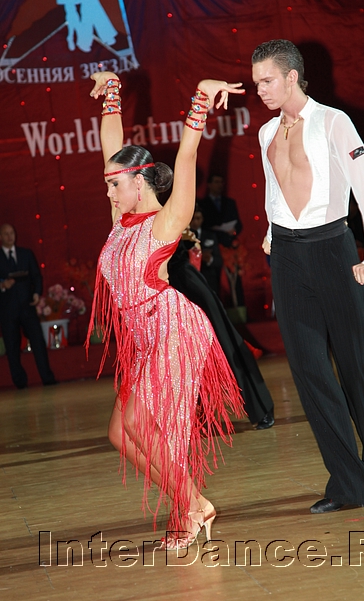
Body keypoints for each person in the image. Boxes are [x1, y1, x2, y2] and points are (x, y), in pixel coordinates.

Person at [87, 70, 245, 549]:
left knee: (141, 423)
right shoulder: (120, 215)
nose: (109, 193)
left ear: (140, 182)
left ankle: (193, 505)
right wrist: (112, 91)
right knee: (121, 434)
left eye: (116, 185)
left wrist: (200, 98)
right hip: (143, 336)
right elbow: (111, 145)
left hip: (173, 327)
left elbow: (187, 155)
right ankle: (190, 503)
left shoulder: (166, 219)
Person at [251, 39, 364, 514]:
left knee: (357, 362)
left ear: (292, 76)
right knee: (310, 371)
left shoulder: (335, 122)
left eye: (267, 81)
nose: (261, 90)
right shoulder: (265, 132)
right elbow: (274, 186)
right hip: (288, 257)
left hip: (334, 250)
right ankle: (349, 484)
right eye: (256, 83)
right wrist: (272, 231)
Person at [167, 234, 275, 429]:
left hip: (183, 282)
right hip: (158, 290)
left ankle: (261, 406)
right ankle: (188, 418)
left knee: (225, 342)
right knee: (177, 357)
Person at [0, 223, 56, 389]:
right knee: (12, 345)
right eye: (6, 234)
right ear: (1, 237)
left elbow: (36, 276)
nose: (10, 236)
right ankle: (20, 382)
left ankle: (47, 377)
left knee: (38, 341)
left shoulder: (26, 254)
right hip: (7, 309)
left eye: (12, 233)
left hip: (27, 306)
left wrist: (37, 293)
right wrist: (2, 285)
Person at [199, 174, 243, 248]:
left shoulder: (230, 202)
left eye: (221, 182)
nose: (219, 185)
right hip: (210, 242)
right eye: (216, 182)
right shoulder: (202, 204)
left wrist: (234, 231)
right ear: (209, 184)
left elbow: (238, 223)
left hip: (229, 242)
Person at [189, 204, 223, 294]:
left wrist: (209, 259)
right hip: (191, 280)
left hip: (209, 281)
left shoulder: (210, 236)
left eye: (198, 218)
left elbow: (219, 261)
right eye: (192, 218)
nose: (195, 222)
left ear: (202, 219)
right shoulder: (183, 237)